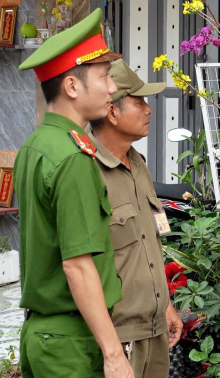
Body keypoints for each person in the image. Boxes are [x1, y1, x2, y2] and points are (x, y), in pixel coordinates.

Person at [14, 8, 134, 378]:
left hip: (43, 336)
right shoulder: (72, 157)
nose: (112, 88)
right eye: (104, 76)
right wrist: (114, 355)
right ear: (71, 86)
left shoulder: (36, 144)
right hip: (72, 342)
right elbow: (77, 265)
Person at [88, 59, 183, 377]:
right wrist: (111, 350)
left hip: (154, 329)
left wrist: (166, 306)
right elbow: (81, 265)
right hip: (119, 338)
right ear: (112, 112)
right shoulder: (87, 172)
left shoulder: (138, 164)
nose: (149, 109)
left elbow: (147, 245)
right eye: (139, 101)